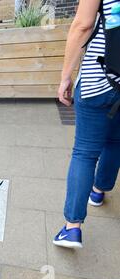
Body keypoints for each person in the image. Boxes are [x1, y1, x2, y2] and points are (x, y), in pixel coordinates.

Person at [55, 0, 120, 249]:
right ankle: (99, 190)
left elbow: (83, 24)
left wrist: (65, 77)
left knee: (84, 152)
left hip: (99, 79)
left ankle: (72, 228)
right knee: (115, 141)